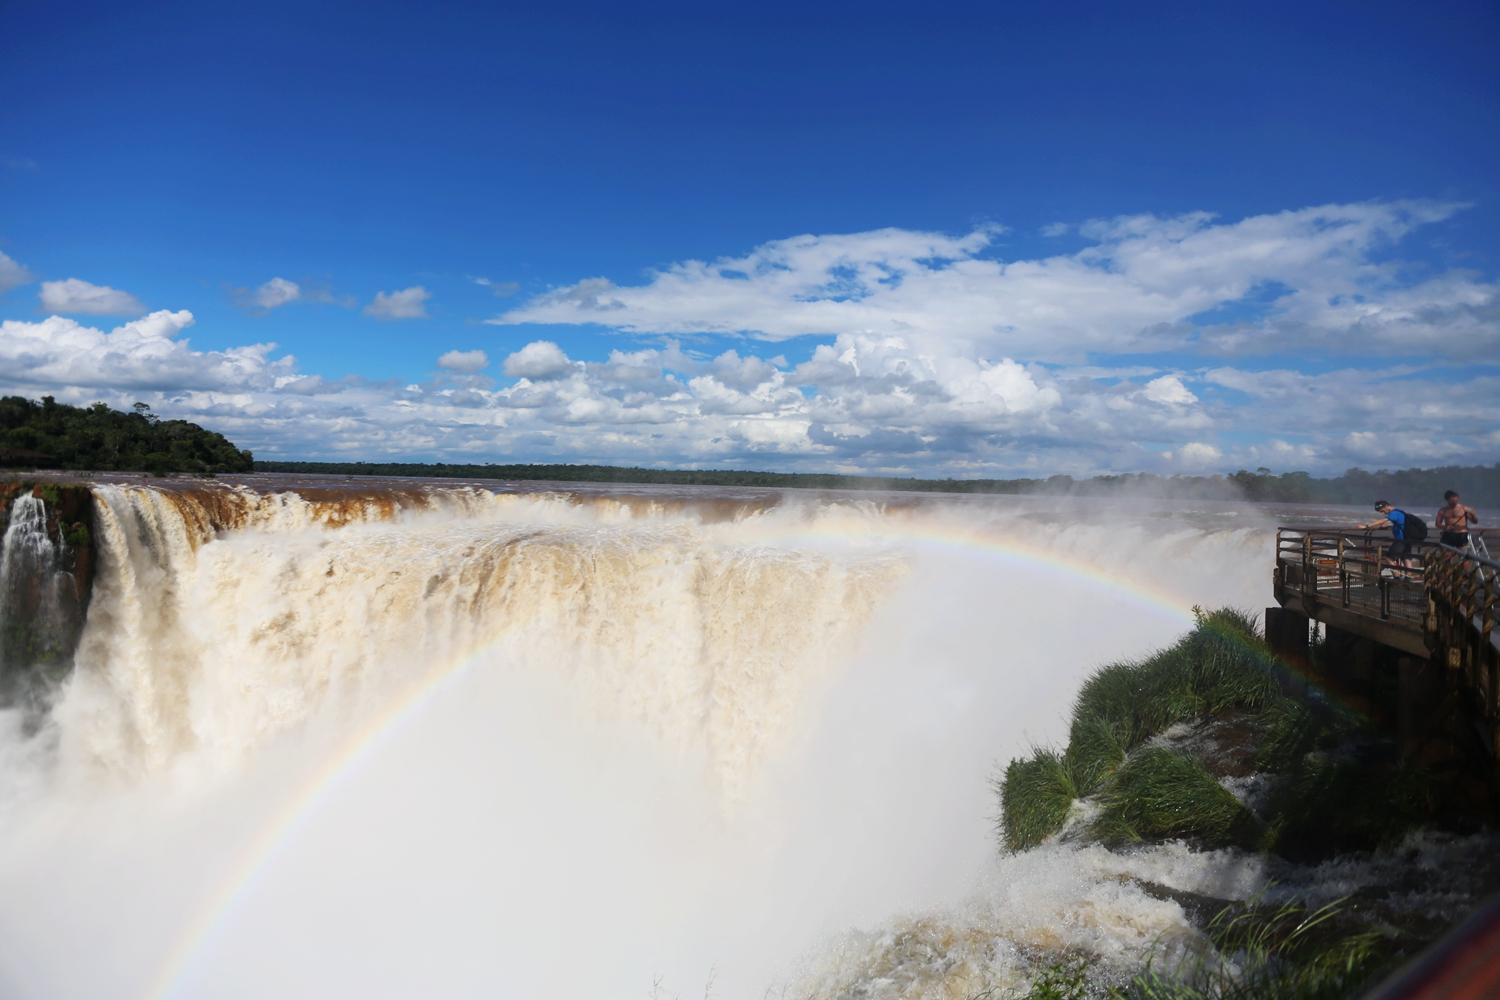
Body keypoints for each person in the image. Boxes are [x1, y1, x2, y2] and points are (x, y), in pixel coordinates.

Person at [1357, 500, 1413, 574]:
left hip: (1401, 540)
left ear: (1387, 506)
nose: (1383, 513)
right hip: (1407, 539)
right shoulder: (1400, 512)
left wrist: (1366, 526)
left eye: (1383, 511)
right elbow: (1400, 524)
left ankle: (1397, 578)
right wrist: (1386, 526)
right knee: (1406, 559)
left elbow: (1382, 520)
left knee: (1389, 559)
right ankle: (1407, 578)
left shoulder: (1394, 513)